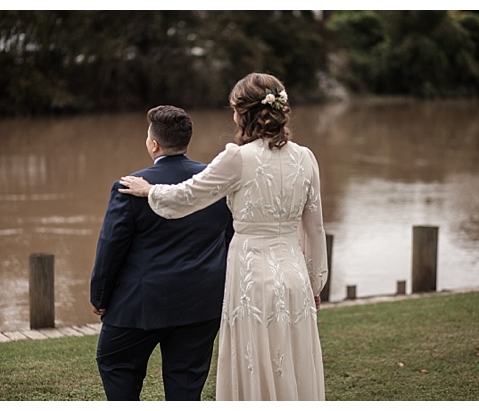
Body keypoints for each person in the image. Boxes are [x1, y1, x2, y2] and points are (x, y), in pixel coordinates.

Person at [117, 72, 328, 400]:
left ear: (242, 113)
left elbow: (188, 196)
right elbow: (314, 229)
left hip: (251, 277)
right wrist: (316, 284)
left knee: (254, 361)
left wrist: (150, 190)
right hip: (295, 277)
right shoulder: (306, 157)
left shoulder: (237, 158)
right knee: (291, 362)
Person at [89, 105, 233, 401]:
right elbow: (230, 237)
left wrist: (100, 299)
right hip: (201, 303)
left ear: (153, 144)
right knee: (186, 382)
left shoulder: (129, 187)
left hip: (140, 305)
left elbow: (111, 247)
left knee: (117, 363)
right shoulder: (216, 182)